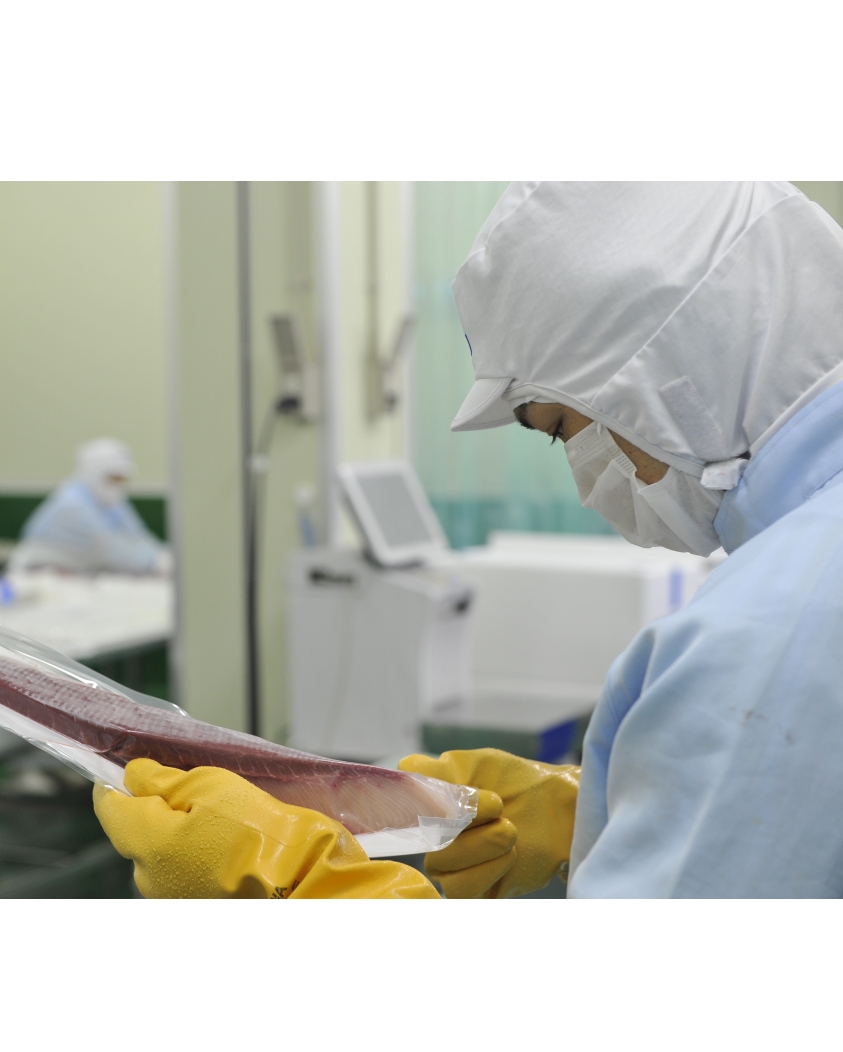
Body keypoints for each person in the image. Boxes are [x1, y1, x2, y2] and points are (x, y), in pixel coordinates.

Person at [95, 181, 843, 898]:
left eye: (560, 430)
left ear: (664, 377)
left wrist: (315, 893)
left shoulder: (765, 641)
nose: (590, 484)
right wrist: (611, 807)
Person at [8, 438, 169, 575]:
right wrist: (158, 562)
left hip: (76, 574)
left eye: (122, 479)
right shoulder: (72, 505)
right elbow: (109, 549)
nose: (117, 484)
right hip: (39, 574)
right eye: (112, 478)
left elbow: (137, 534)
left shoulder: (110, 502)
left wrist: (162, 555)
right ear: (92, 472)